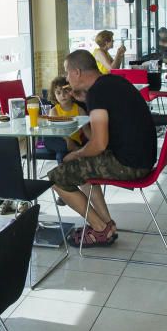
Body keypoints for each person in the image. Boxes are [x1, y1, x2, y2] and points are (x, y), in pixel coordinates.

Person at [48, 50, 157, 247]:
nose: (66, 78)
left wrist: (75, 154)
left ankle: (99, 228)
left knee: (57, 177)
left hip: (129, 164)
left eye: (67, 72)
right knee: (83, 169)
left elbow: (99, 144)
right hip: (143, 158)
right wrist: (84, 99)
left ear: (77, 72)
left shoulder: (98, 94)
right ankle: (107, 225)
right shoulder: (112, 83)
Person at [44, 76, 87, 162]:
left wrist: (94, 142)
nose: (62, 95)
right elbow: (56, 131)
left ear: (71, 92)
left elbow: (86, 129)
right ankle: (75, 149)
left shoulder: (79, 110)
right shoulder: (54, 111)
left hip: (74, 141)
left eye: (65, 92)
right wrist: (68, 141)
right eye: (58, 93)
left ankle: (64, 173)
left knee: (61, 155)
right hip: (58, 140)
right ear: (54, 95)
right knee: (49, 140)